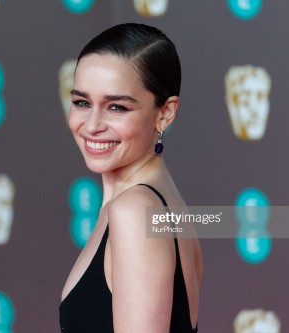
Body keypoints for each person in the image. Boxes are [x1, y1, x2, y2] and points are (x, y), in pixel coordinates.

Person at [59, 23, 202, 332]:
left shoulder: (135, 211)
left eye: (116, 107)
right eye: (82, 102)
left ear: (165, 113)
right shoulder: (157, 205)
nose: (92, 125)